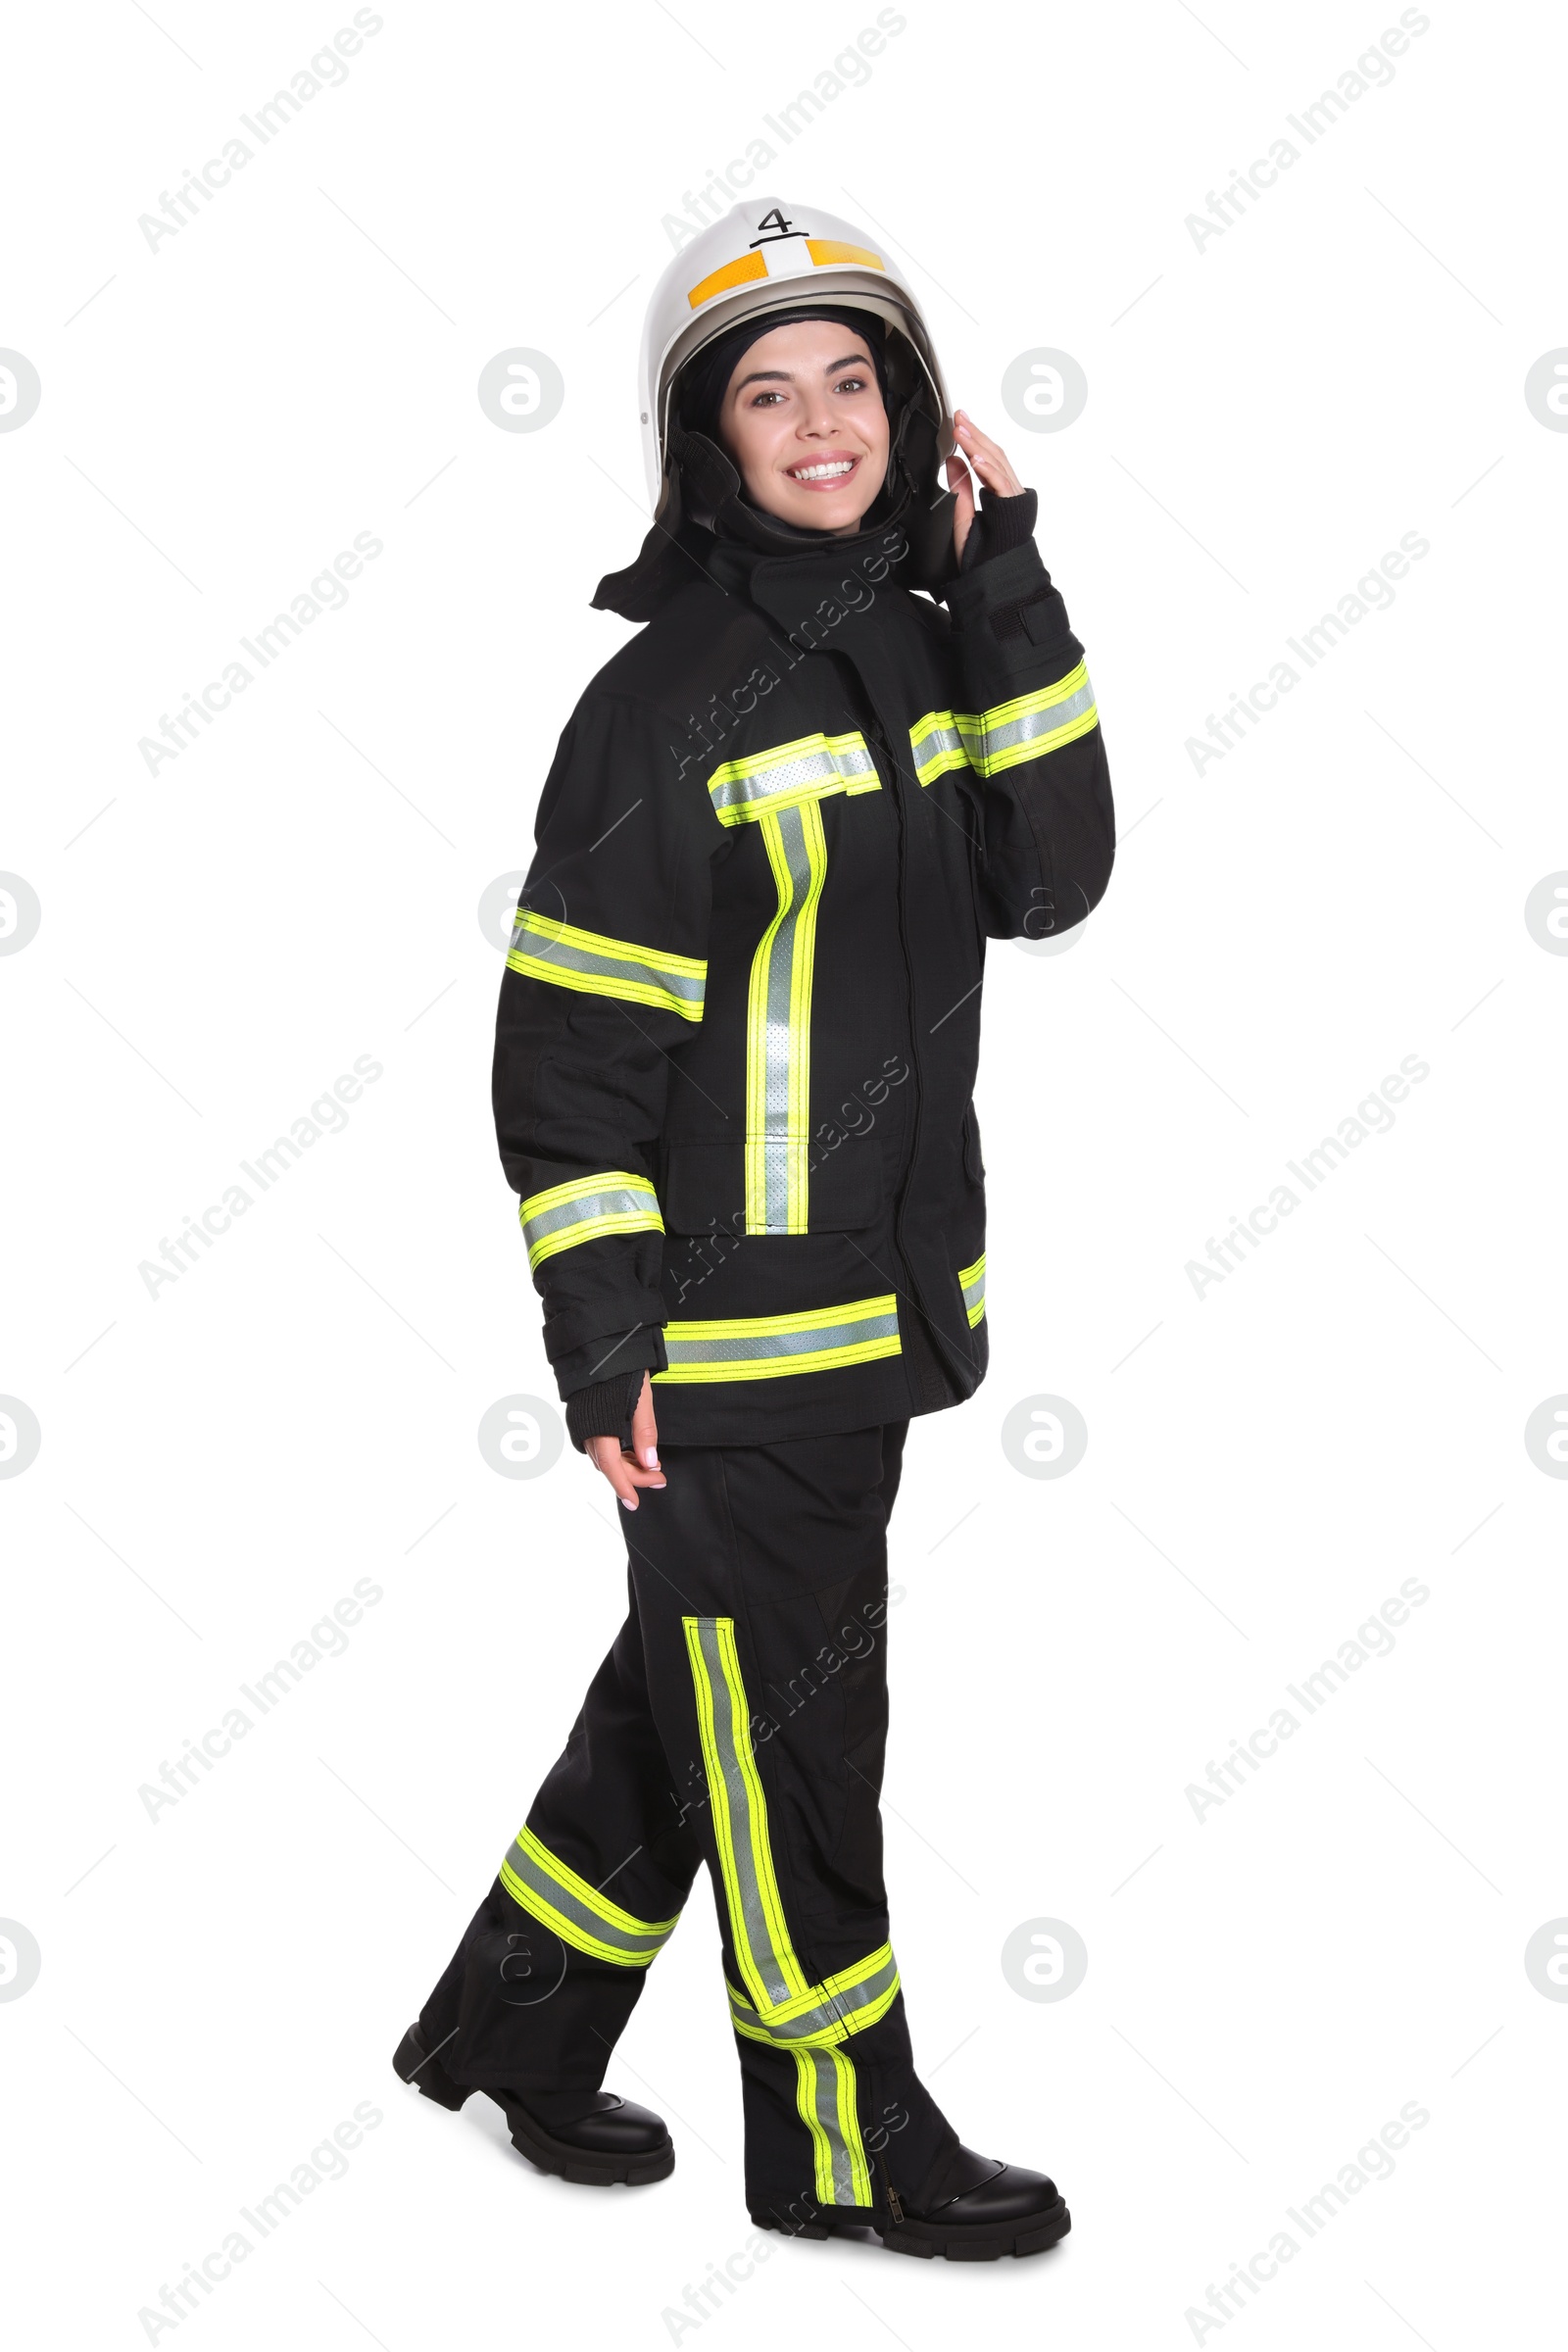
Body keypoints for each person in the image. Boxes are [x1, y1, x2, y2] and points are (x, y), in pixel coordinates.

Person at [394, 196, 1114, 2262]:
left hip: (871, 1320)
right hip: (719, 1344)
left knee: (704, 1688)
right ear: (703, 442)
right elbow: (573, 1061)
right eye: (766, 393)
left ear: (910, 407)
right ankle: (840, 2139)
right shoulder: (658, 704)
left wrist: (1010, 584)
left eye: (852, 378)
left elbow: (1047, 875)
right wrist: (599, 1331)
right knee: (801, 1723)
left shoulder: (920, 632)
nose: (820, 424)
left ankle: (515, 2035)